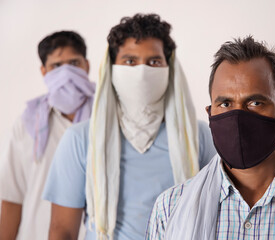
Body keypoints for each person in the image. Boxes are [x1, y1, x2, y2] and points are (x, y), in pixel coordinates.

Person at [146, 36, 275, 240]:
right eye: (226, 104)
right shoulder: (169, 209)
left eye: (255, 103)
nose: (238, 117)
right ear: (210, 114)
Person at [42, 13, 216, 239]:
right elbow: (62, 230)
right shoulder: (81, 139)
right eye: (130, 61)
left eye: (154, 62)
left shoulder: (198, 136)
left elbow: (217, 213)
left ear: (168, 67)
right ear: (112, 68)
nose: (142, 72)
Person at [0, 31, 95, 240]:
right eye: (57, 67)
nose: (67, 73)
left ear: (87, 66)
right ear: (44, 71)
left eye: (74, 63)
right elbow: (11, 196)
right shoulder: (27, 124)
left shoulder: (107, 116)